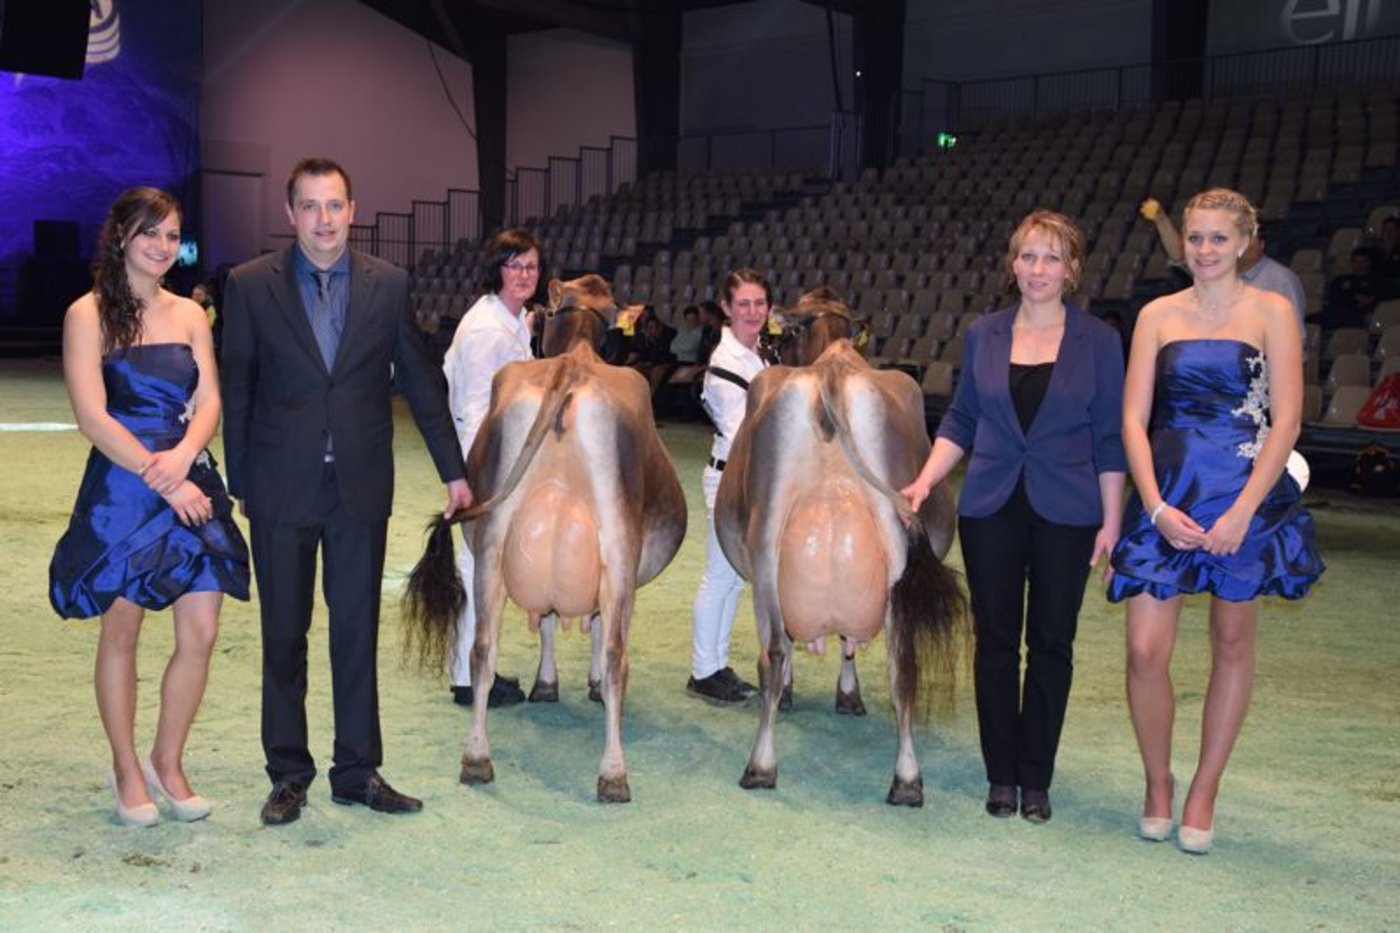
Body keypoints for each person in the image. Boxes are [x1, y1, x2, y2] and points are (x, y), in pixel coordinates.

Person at [221, 158, 471, 826]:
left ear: (352, 210)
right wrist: (242, 482)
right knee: (284, 636)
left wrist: (454, 468)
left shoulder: (388, 285)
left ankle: (357, 770)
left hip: (359, 487)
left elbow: (419, 381)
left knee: (355, 632)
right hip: (279, 488)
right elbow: (237, 386)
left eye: (334, 205)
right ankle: (288, 772)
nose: (323, 219)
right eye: (310, 206)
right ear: (289, 213)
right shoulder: (248, 286)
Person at [1108, 188, 1324, 855]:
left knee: (1233, 643)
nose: (1203, 250)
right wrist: (1155, 504)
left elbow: (1286, 419)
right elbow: (1131, 420)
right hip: (1167, 493)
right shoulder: (1154, 314)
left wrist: (1243, 511)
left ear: (1245, 241)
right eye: (1194, 238)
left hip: (1243, 496)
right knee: (1145, 649)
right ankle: (1157, 782)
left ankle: (1204, 789)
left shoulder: (1272, 310)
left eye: (1216, 239)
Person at [901, 209, 1126, 824]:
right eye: (1028, 256)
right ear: (1012, 264)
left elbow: (1110, 438)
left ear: (1073, 269)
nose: (1038, 269)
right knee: (996, 643)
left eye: (1052, 257)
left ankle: (1038, 778)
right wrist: (926, 479)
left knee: (1052, 642)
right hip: (991, 507)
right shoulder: (985, 333)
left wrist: (1111, 522)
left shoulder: (1100, 342)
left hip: (1070, 511)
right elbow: (963, 420)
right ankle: (1002, 774)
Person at [49, 187, 250, 826]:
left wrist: (189, 453)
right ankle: (125, 766)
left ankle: (169, 759)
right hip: (126, 488)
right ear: (121, 238)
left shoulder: (191, 313)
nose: (163, 247)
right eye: (150, 234)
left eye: (172, 236)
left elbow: (211, 399)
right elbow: (91, 415)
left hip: (191, 476)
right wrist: (163, 477)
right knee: (124, 629)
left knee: (203, 631)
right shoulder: (86, 315)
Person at [440, 227, 543, 708]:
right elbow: (477, 409)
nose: (524, 275)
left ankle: (476, 665)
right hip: (484, 458)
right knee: (475, 567)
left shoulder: (514, 320)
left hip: (501, 456)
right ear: (495, 270)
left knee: (485, 567)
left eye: (531, 266)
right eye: (514, 265)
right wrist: (488, 477)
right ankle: (467, 676)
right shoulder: (486, 329)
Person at [687, 270, 772, 703]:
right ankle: (704, 671)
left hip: (753, 478)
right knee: (721, 574)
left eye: (759, 304)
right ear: (726, 307)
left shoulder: (761, 356)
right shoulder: (725, 365)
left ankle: (716, 665)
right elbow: (746, 434)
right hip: (729, 477)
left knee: (736, 578)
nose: (753, 312)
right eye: (744, 304)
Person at [1141, 196, 1306, 336]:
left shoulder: (1282, 280)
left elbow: (1295, 338)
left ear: (1262, 245)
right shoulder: (1216, 270)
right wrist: (1161, 219)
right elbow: (1179, 255)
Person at [1309, 246, 1384, 330]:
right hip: (1337, 313)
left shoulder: (1377, 281)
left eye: (1363, 262)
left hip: (1359, 315)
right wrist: (1353, 299)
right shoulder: (1340, 280)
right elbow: (1333, 298)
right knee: (1308, 319)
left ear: (1369, 263)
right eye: (1356, 261)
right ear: (1351, 263)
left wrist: (1372, 299)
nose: (1359, 265)